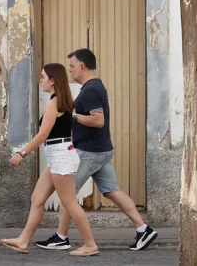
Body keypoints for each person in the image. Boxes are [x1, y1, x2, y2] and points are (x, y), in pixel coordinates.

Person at [34, 49, 158, 252]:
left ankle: (61, 237)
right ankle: (143, 229)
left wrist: (73, 116)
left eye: (72, 67)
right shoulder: (93, 87)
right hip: (100, 150)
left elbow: (98, 120)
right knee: (111, 190)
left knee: (68, 194)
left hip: (89, 151)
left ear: (82, 67)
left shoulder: (91, 90)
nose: (70, 71)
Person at [0, 63, 99, 257]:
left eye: (43, 77)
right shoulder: (62, 102)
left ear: (53, 80)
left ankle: (90, 244)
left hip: (61, 156)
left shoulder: (53, 104)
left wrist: (21, 153)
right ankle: (23, 240)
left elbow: (42, 135)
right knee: (37, 199)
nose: (41, 81)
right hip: (58, 155)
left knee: (69, 202)